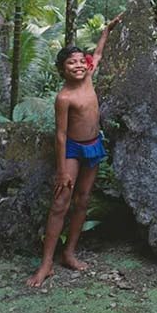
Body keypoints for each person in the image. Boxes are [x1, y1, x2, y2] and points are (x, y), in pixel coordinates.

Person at [26, 14, 123, 287]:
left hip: (94, 146)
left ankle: (69, 252)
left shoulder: (89, 75)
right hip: (71, 149)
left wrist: (107, 29)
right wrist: (61, 171)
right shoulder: (64, 97)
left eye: (81, 61)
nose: (79, 65)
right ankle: (46, 263)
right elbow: (60, 134)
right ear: (62, 69)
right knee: (60, 203)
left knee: (82, 201)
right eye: (72, 62)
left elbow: (99, 52)